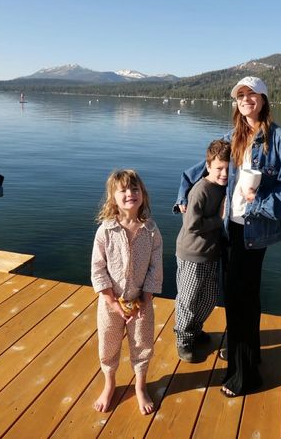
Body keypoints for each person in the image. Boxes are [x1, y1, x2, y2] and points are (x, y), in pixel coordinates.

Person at [174, 76, 281, 397]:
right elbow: (196, 171)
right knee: (239, 298)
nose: (246, 99)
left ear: (263, 99)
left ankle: (244, 377)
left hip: (254, 232)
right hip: (229, 232)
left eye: (252, 94)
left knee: (242, 300)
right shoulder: (231, 137)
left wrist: (257, 203)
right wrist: (182, 198)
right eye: (240, 95)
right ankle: (245, 355)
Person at [91, 169, 163, 414]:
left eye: (135, 189)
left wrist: (145, 299)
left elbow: (155, 269)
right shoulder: (105, 231)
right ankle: (109, 384)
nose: (130, 194)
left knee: (142, 344)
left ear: (143, 194)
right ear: (113, 198)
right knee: (108, 345)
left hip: (140, 302)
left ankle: (140, 387)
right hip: (110, 303)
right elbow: (98, 268)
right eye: (122, 190)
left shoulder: (151, 231)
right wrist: (111, 302)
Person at [174, 139, 231, 362]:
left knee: (208, 297)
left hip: (210, 254)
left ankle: (195, 329)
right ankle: (183, 339)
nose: (224, 173)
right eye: (219, 168)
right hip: (192, 253)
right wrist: (219, 219)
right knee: (188, 299)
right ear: (208, 166)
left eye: (228, 168)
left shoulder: (223, 187)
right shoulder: (201, 190)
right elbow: (192, 225)